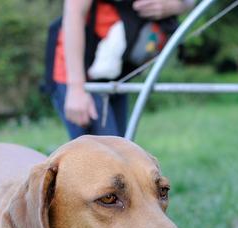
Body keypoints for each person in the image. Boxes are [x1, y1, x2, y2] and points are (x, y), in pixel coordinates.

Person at [52, 0, 194, 139]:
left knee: (120, 145)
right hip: (78, 75)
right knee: (104, 150)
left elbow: (190, 2)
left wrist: (174, 5)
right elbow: (74, 12)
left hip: (117, 74)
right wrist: (76, 88)